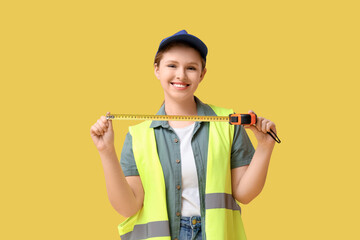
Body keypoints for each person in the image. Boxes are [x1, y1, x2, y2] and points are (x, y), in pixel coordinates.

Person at [90, 30, 277, 240]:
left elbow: (244, 194)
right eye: (172, 65)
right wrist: (106, 151)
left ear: (202, 74)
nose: (181, 75)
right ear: (157, 69)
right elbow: (128, 207)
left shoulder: (228, 123)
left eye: (191, 68)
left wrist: (265, 147)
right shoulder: (138, 136)